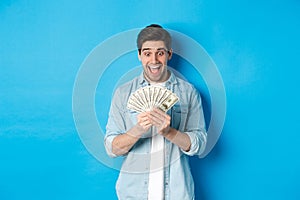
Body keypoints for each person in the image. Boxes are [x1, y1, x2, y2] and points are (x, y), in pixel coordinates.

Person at [104, 24, 207, 200]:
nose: (154, 60)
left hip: (177, 193)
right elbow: (112, 148)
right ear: (139, 55)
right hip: (133, 193)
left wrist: (169, 132)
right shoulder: (123, 93)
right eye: (147, 53)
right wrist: (138, 129)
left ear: (169, 54)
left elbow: (200, 144)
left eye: (160, 52)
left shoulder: (188, 92)